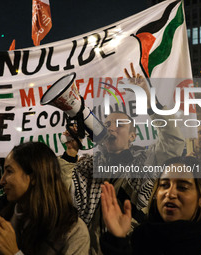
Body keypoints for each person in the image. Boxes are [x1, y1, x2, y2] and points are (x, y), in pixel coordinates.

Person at [58, 63, 185, 254]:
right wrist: (71, 152)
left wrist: (150, 102)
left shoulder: (147, 161)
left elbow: (173, 140)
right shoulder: (87, 165)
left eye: (119, 124)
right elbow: (67, 191)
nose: (111, 128)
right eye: (107, 124)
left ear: (133, 136)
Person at [100, 156, 201, 255]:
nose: (170, 193)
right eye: (164, 185)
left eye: (182, 187)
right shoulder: (138, 235)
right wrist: (118, 241)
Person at [0, 142, 90, 255]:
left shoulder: (73, 232)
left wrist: (14, 253)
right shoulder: (5, 221)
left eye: (9, 171)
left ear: (33, 177)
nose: (2, 181)